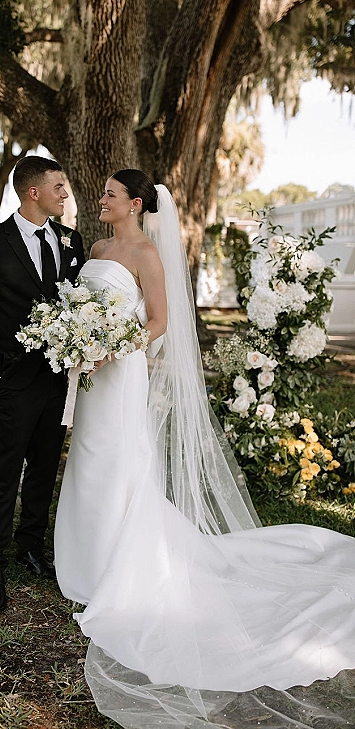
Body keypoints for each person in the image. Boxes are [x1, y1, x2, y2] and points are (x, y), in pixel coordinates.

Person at [54, 169, 355, 729]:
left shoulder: (147, 253)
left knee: (117, 461)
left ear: (136, 204)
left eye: (111, 196)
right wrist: (79, 339)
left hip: (120, 374)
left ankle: (117, 566)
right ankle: (82, 560)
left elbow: (161, 321)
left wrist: (111, 348)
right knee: (88, 460)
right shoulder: (95, 247)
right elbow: (86, 304)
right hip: (90, 372)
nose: (101, 200)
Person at [0, 156, 85, 614]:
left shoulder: (71, 241)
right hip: (12, 381)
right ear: (33, 192)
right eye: (58, 187)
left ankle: (30, 546)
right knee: (4, 471)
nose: (65, 194)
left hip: (58, 377)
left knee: (45, 465)